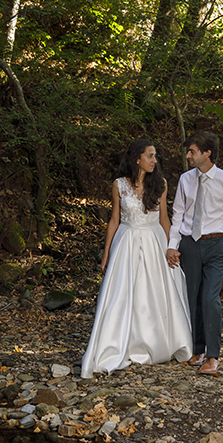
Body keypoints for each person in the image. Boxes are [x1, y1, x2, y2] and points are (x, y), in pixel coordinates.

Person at [81, 139, 193, 377]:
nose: (155, 160)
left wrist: (172, 247)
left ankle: (157, 342)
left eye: (155, 156)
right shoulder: (119, 185)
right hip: (127, 241)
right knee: (124, 294)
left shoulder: (160, 184)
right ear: (137, 159)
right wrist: (107, 252)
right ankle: (122, 344)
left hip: (154, 241)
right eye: (150, 156)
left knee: (154, 292)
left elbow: (164, 220)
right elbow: (114, 220)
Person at [165, 131, 223, 376]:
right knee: (191, 298)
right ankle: (197, 350)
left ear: (207, 153)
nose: (188, 156)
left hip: (216, 245)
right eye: (188, 151)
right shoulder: (185, 180)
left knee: (210, 299)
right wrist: (173, 244)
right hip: (189, 245)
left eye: (192, 151)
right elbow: (178, 214)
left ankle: (213, 356)